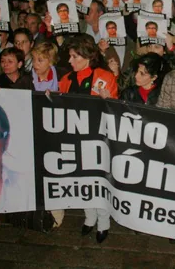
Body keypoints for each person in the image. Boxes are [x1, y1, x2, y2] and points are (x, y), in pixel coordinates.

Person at [59, 35, 118, 243]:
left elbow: (116, 110)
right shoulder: (65, 80)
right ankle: (89, 216)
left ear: (86, 57)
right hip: (75, 137)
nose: (70, 61)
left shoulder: (105, 76)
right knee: (81, 179)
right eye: (69, 57)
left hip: (98, 138)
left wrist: (107, 100)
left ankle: (103, 221)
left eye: (74, 57)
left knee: (98, 180)